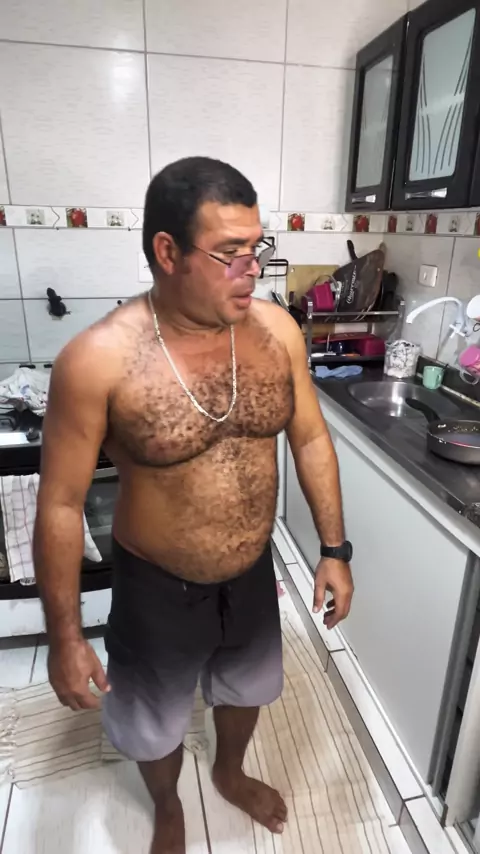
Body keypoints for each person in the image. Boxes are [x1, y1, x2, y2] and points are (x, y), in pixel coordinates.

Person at [34, 157, 354, 854]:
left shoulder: (277, 333)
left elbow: (309, 438)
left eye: (257, 248)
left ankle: (229, 772)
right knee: (152, 721)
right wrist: (65, 637)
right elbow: (59, 504)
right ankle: (169, 805)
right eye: (230, 253)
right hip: (156, 583)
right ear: (167, 251)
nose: (252, 270)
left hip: (251, 573)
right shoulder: (98, 360)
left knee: (246, 689)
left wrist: (334, 550)